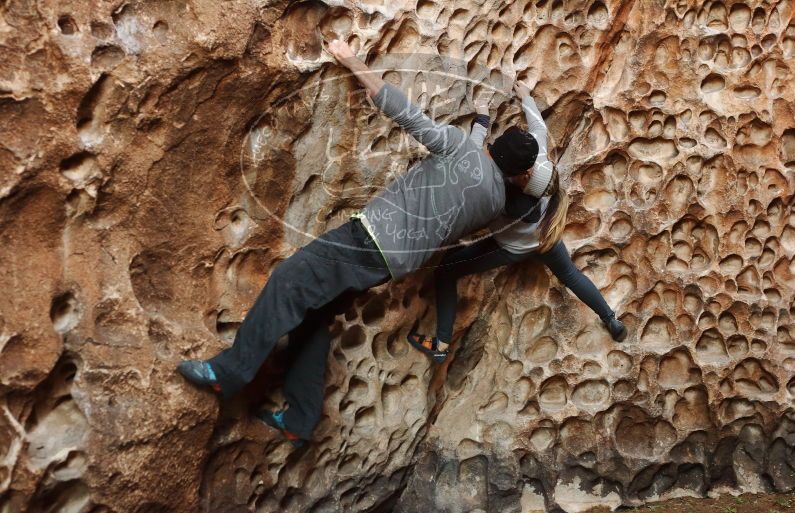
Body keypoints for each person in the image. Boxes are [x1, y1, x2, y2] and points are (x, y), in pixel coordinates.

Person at [176, 40, 545, 447]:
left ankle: (230, 372)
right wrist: (482, 130)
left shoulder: (461, 149)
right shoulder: (494, 201)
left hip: (368, 238)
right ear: (517, 173)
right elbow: (480, 164)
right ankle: (300, 418)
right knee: (312, 318)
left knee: (288, 280)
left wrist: (352, 59)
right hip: (390, 265)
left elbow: (408, 115)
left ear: (494, 147)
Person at [407, 81, 627, 364]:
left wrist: (482, 119)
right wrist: (526, 97)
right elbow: (538, 130)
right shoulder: (541, 173)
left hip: (511, 247)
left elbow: (470, 160)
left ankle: (442, 343)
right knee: (571, 275)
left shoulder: (498, 198)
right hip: (547, 234)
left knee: (446, 271)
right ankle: (611, 319)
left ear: (519, 176)